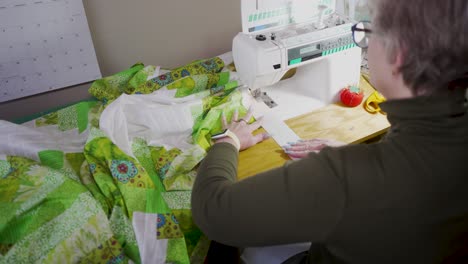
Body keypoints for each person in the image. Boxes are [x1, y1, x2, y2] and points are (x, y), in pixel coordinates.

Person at [191, 0, 468, 263]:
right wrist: (356, 156)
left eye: (369, 33)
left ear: (398, 55)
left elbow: (211, 211)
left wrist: (228, 140)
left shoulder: (343, 178)